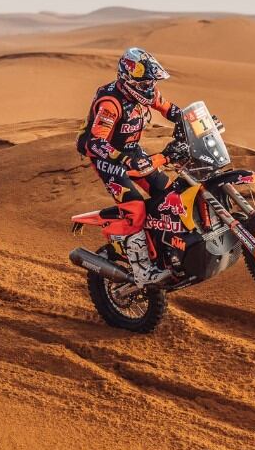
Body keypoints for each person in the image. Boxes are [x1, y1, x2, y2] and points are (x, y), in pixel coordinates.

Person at [76, 47, 184, 286]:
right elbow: (95, 143)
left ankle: (164, 252)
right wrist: (123, 160)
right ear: (128, 80)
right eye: (145, 83)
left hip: (132, 151)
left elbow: (171, 110)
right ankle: (142, 271)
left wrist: (193, 121)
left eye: (151, 82)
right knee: (135, 209)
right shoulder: (111, 103)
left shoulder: (146, 93)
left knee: (169, 195)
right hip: (108, 160)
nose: (150, 88)